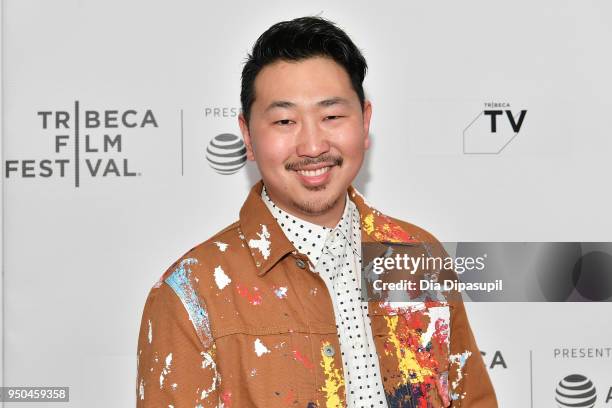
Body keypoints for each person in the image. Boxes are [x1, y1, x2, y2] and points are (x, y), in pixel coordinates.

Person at [136, 16, 497, 408]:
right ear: (248, 136)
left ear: (364, 123)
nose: (311, 145)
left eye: (332, 117)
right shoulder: (192, 293)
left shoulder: (416, 254)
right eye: (285, 121)